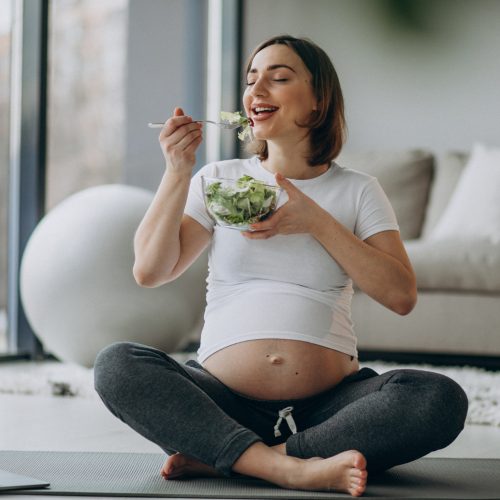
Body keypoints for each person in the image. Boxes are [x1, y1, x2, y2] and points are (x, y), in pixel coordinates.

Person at [94, 35, 468, 497]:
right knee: (117, 364)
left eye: (279, 77)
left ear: (317, 101)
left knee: (439, 398)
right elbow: (150, 270)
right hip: (222, 400)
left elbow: (400, 296)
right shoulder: (220, 179)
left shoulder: (358, 190)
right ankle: (289, 467)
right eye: (252, 80)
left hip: (329, 407)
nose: (256, 90)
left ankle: (238, 458)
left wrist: (314, 219)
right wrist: (177, 170)